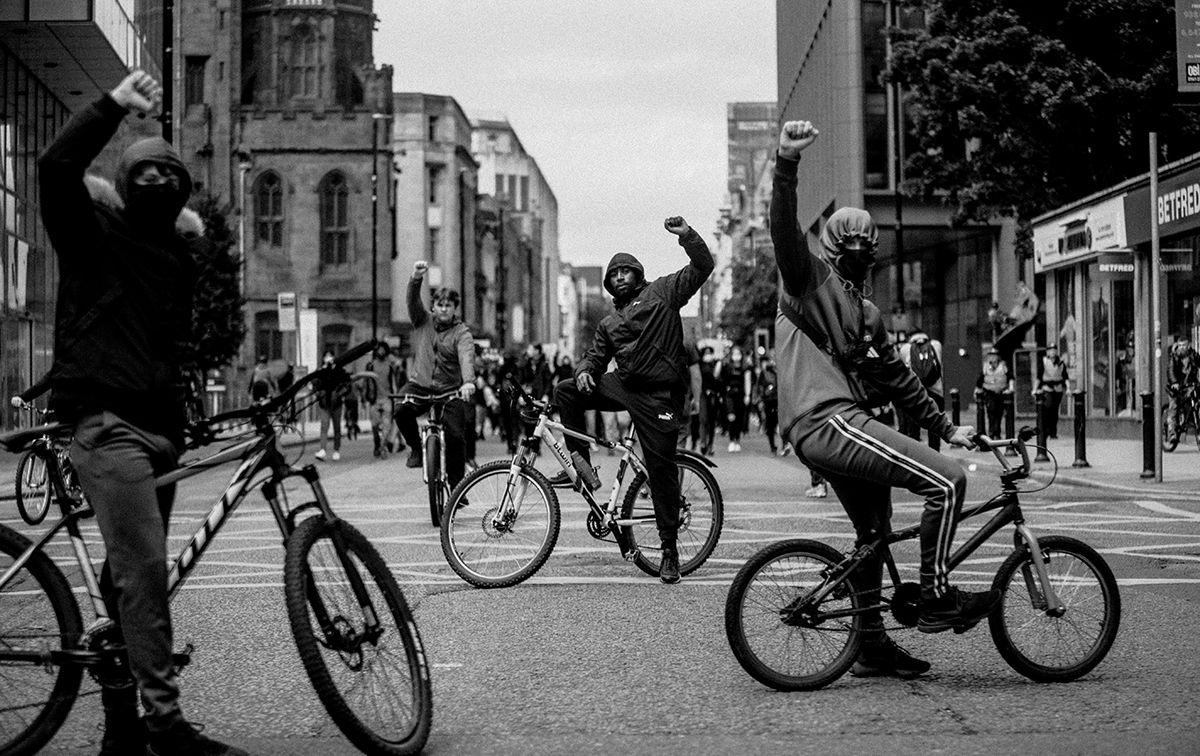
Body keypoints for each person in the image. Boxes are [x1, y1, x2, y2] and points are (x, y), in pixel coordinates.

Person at [38, 70, 249, 756]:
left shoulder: (179, 262)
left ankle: (120, 727)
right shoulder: (89, 230)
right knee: (146, 574)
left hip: (160, 432)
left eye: (169, 175)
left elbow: (161, 349)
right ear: (126, 186)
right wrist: (113, 106)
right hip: (107, 426)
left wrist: (190, 419)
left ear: (182, 189)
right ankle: (164, 724)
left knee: (124, 578)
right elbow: (55, 167)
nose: (158, 182)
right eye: (145, 174)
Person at [770, 120, 992, 679]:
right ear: (831, 249)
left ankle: (870, 645)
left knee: (873, 533)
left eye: (868, 249)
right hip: (826, 419)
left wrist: (947, 428)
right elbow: (783, 232)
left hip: (830, 424)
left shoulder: (867, 313)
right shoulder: (808, 281)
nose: (862, 256)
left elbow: (897, 377)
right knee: (948, 481)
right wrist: (786, 163)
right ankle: (936, 597)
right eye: (852, 247)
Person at [553, 215, 714, 584]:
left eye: (625, 271)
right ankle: (582, 465)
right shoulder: (609, 324)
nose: (619, 277)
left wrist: (687, 236)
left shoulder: (664, 291)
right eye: (613, 275)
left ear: (638, 274)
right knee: (566, 390)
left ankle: (669, 551)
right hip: (625, 385)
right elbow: (595, 357)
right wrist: (585, 370)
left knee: (661, 469)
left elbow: (703, 266)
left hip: (659, 394)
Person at [392, 261, 476, 491]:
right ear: (434, 307)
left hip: (450, 390)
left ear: (455, 308)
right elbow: (412, 302)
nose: (444, 309)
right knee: (400, 409)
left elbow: (466, 356)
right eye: (440, 305)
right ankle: (416, 448)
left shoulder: (462, 333)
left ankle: (457, 488)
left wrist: (468, 382)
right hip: (420, 384)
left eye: (449, 305)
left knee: (455, 437)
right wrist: (416, 278)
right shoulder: (423, 320)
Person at [898, 330, 945, 451]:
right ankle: (934, 455)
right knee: (935, 426)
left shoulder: (905, 348)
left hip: (915, 391)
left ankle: (916, 456)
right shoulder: (936, 345)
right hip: (935, 391)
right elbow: (940, 369)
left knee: (913, 428)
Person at [362, 342, 405, 458]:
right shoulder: (370, 366)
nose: (381, 352)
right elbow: (366, 382)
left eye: (383, 350)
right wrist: (364, 397)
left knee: (387, 425)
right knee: (374, 424)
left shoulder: (390, 366)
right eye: (379, 350)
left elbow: (394, 382)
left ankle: (382, 447)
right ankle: (377, 442)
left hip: (387, 398)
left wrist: (395, 397)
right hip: (374, 399)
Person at [314, 350, 348, 461]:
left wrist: (339, 393)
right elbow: (315, 385)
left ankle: (336, 450)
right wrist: (318, 393)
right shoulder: (320, 371)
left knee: (336, 428)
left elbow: (346, 384)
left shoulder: (339, 371)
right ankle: (322, 449)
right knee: (324, 426)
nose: (328, 358)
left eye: (330, 356)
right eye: (326, 356)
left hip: (336, 403)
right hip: (324, 404)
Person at [716, 346, 750, 452]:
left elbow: (747, 381)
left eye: (738, 354)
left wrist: (747, 395)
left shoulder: (745, 367)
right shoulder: (727, 366)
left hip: (740, 393)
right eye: (734, 354)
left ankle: (737, 440)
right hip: (729, 394)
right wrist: (720, 362)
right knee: (731, 417)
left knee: (739, 418)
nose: (736, 357)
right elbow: (717, 375)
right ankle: (731, 440)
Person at [1167, 336, 1200, 444]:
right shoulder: (1174, 356)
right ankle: (1172, 433)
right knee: (1174, 407)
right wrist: (1174, 382)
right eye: (1179, 345)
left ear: (1188, 345)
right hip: (1176, 387)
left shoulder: (1193, 355)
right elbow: (1171, 370)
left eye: (1183, 345)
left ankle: (1191, 423)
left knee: (1195, 402)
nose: (1181, 347)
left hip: (1189, 385)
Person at [975, 348, 1012, 439]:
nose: (993, 357)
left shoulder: (1003, 366)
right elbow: (980, 380)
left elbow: (1010, 377)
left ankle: (997, 432)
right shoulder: (986, 366)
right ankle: (993, 433)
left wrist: (1011, 388)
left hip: (1001, 393)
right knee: (991, 411)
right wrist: (977, 391)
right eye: (991, 355)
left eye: (994, 355)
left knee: (999, 413)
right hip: (989, 392)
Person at [1036, 345, 1069, 439]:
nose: (1053, 352)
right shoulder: (1044, 361)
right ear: (1047, 352)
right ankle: (1046, 431)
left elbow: (1065, 376)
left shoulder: (1061, 362)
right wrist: (1035, 389)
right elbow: (1039, 376)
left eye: (1054, 350)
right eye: (1050, 350)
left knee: (1055, 411)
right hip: (1047, 388)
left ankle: (1053, 432)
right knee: (1047, 409)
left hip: (1058, 388)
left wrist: (1068, 388)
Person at [698, 346, 721, 456]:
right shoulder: (699, 365)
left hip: (713, 394)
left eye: (710, 353)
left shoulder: (716, 364)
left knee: (712, 421)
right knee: (703, 419)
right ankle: (703, 442)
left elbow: (717, 377)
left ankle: (710, 444)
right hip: (702, 393)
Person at [757, 357, 781, 455]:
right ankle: (772, 446)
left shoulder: (778, 371)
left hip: (778, 400)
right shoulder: (764, 373)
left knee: (781, 422)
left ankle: (784, 444)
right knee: (770, 424)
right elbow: (760, 387)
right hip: (768, 401)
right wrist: (760, 400)